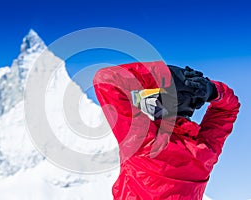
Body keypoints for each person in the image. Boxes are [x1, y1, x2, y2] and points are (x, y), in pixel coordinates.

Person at [93, 61, 240, 200]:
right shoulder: (205, 152)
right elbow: (229, 109)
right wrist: (212, 90)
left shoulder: (144, 142)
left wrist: (165, 75)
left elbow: (106, 79)